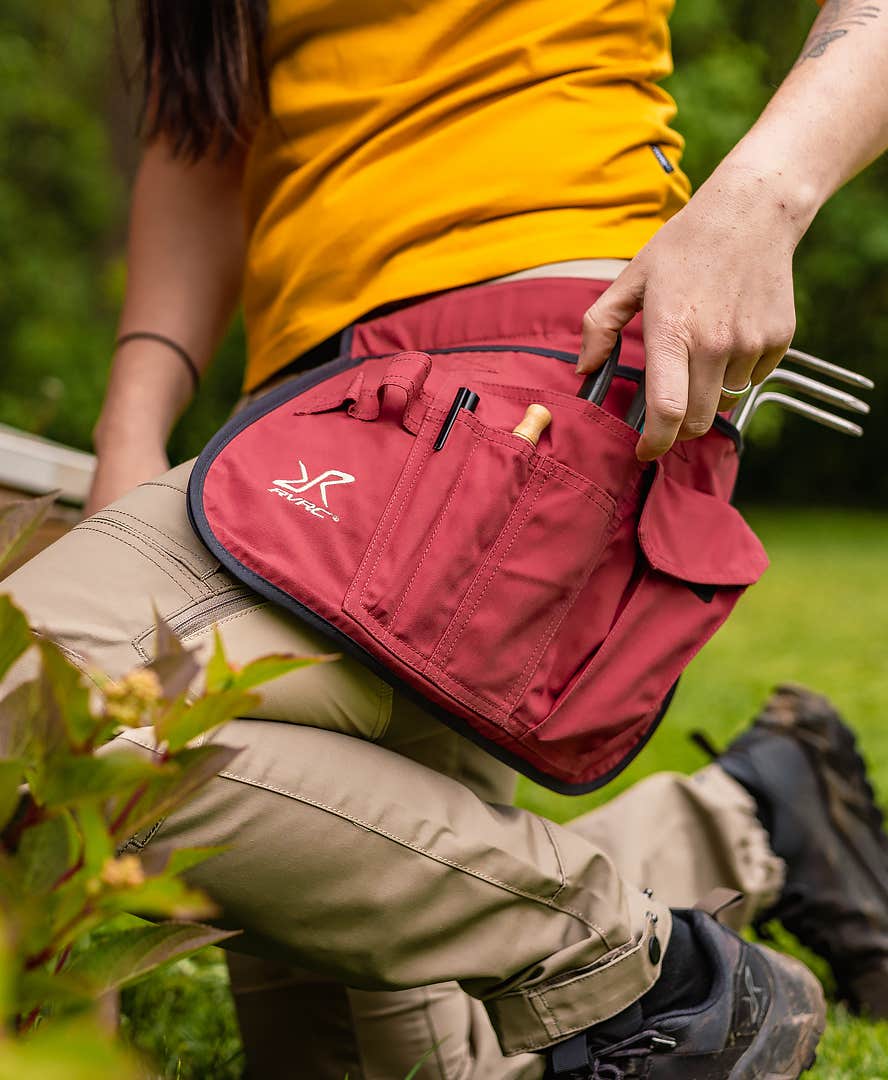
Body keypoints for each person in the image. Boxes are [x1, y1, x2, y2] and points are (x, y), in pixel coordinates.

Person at [7, 0, 888, 1076]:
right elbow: (202, 133)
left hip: (526, 372)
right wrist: (130, 428)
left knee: (34, 704)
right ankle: (748, 816)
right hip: (307, 427)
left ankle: (638, 969)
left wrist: (764, 193)